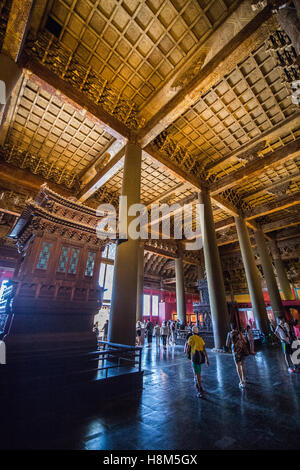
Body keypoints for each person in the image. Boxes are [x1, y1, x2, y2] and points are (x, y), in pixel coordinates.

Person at [187, 326, 209, 398]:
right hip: (200, 358)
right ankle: (198, 384)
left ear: (192, 332)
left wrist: (187, 354)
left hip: (194, 357)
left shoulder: (191, 338)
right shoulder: (200, 339)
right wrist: (207, 359)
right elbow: (204, 349)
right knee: (198, 371)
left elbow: (188, 347)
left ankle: (200, 389)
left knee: (197, 374)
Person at [226, 323, 249, 389]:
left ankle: (241, 382)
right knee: (242, 364)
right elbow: (245, 341)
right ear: (236, 327)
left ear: (231, 327)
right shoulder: (239, 332)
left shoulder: (229, 334)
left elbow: (227, 344)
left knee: (237, 365)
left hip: (235, 350)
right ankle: (244, 378)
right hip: (241, 348)